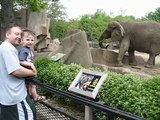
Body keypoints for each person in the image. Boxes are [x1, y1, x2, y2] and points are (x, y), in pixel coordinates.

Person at [0, 26, 37, 120]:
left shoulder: (5, 47)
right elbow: (16, 71)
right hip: (15, 97)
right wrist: (33, 72)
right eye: (16, 34)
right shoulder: (7, 48)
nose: (19, 36)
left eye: (21, 34)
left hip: (7, 96)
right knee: (30, 115)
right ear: (7, 34)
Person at [18, 29, 45, 101]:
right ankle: (35, 97)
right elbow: (21, 61)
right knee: (33, 85)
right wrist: (31, 65)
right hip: (27, 71)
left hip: (28, 71)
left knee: (30, 85)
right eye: (27, 40)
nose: (30, 42)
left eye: (32, 40)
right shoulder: (24, 50)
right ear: (22, 40)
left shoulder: (28, 49)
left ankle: (30, 95)